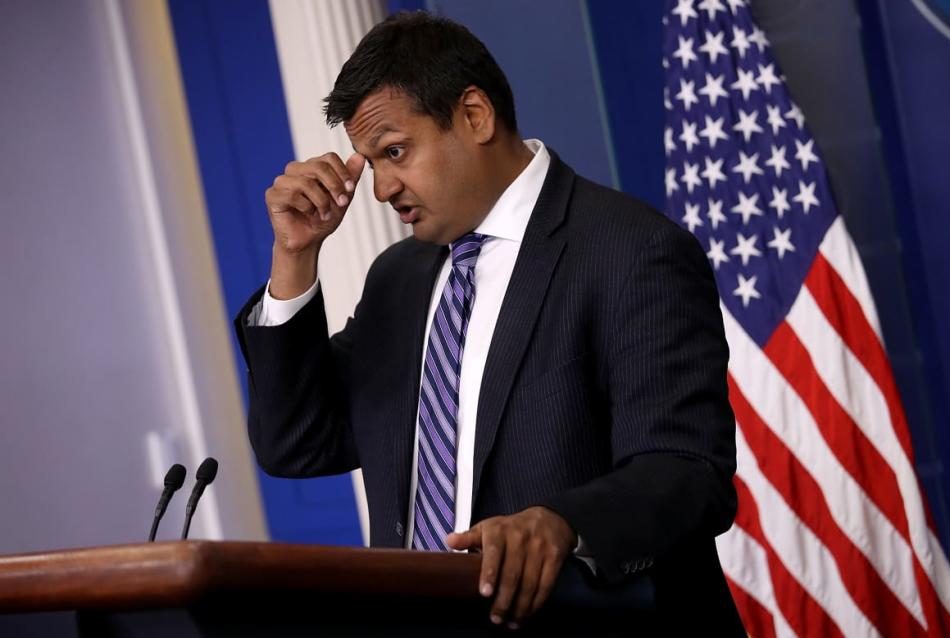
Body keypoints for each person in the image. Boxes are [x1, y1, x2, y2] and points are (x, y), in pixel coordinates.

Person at [234, 10, 743, 634]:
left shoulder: (630, 250)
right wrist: (294, 257)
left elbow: (688, 471)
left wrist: (561, 522)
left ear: (474, 116)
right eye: (371, 162)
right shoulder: (398, 277)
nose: (382, 188)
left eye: (395, 152)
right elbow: (298, 443)